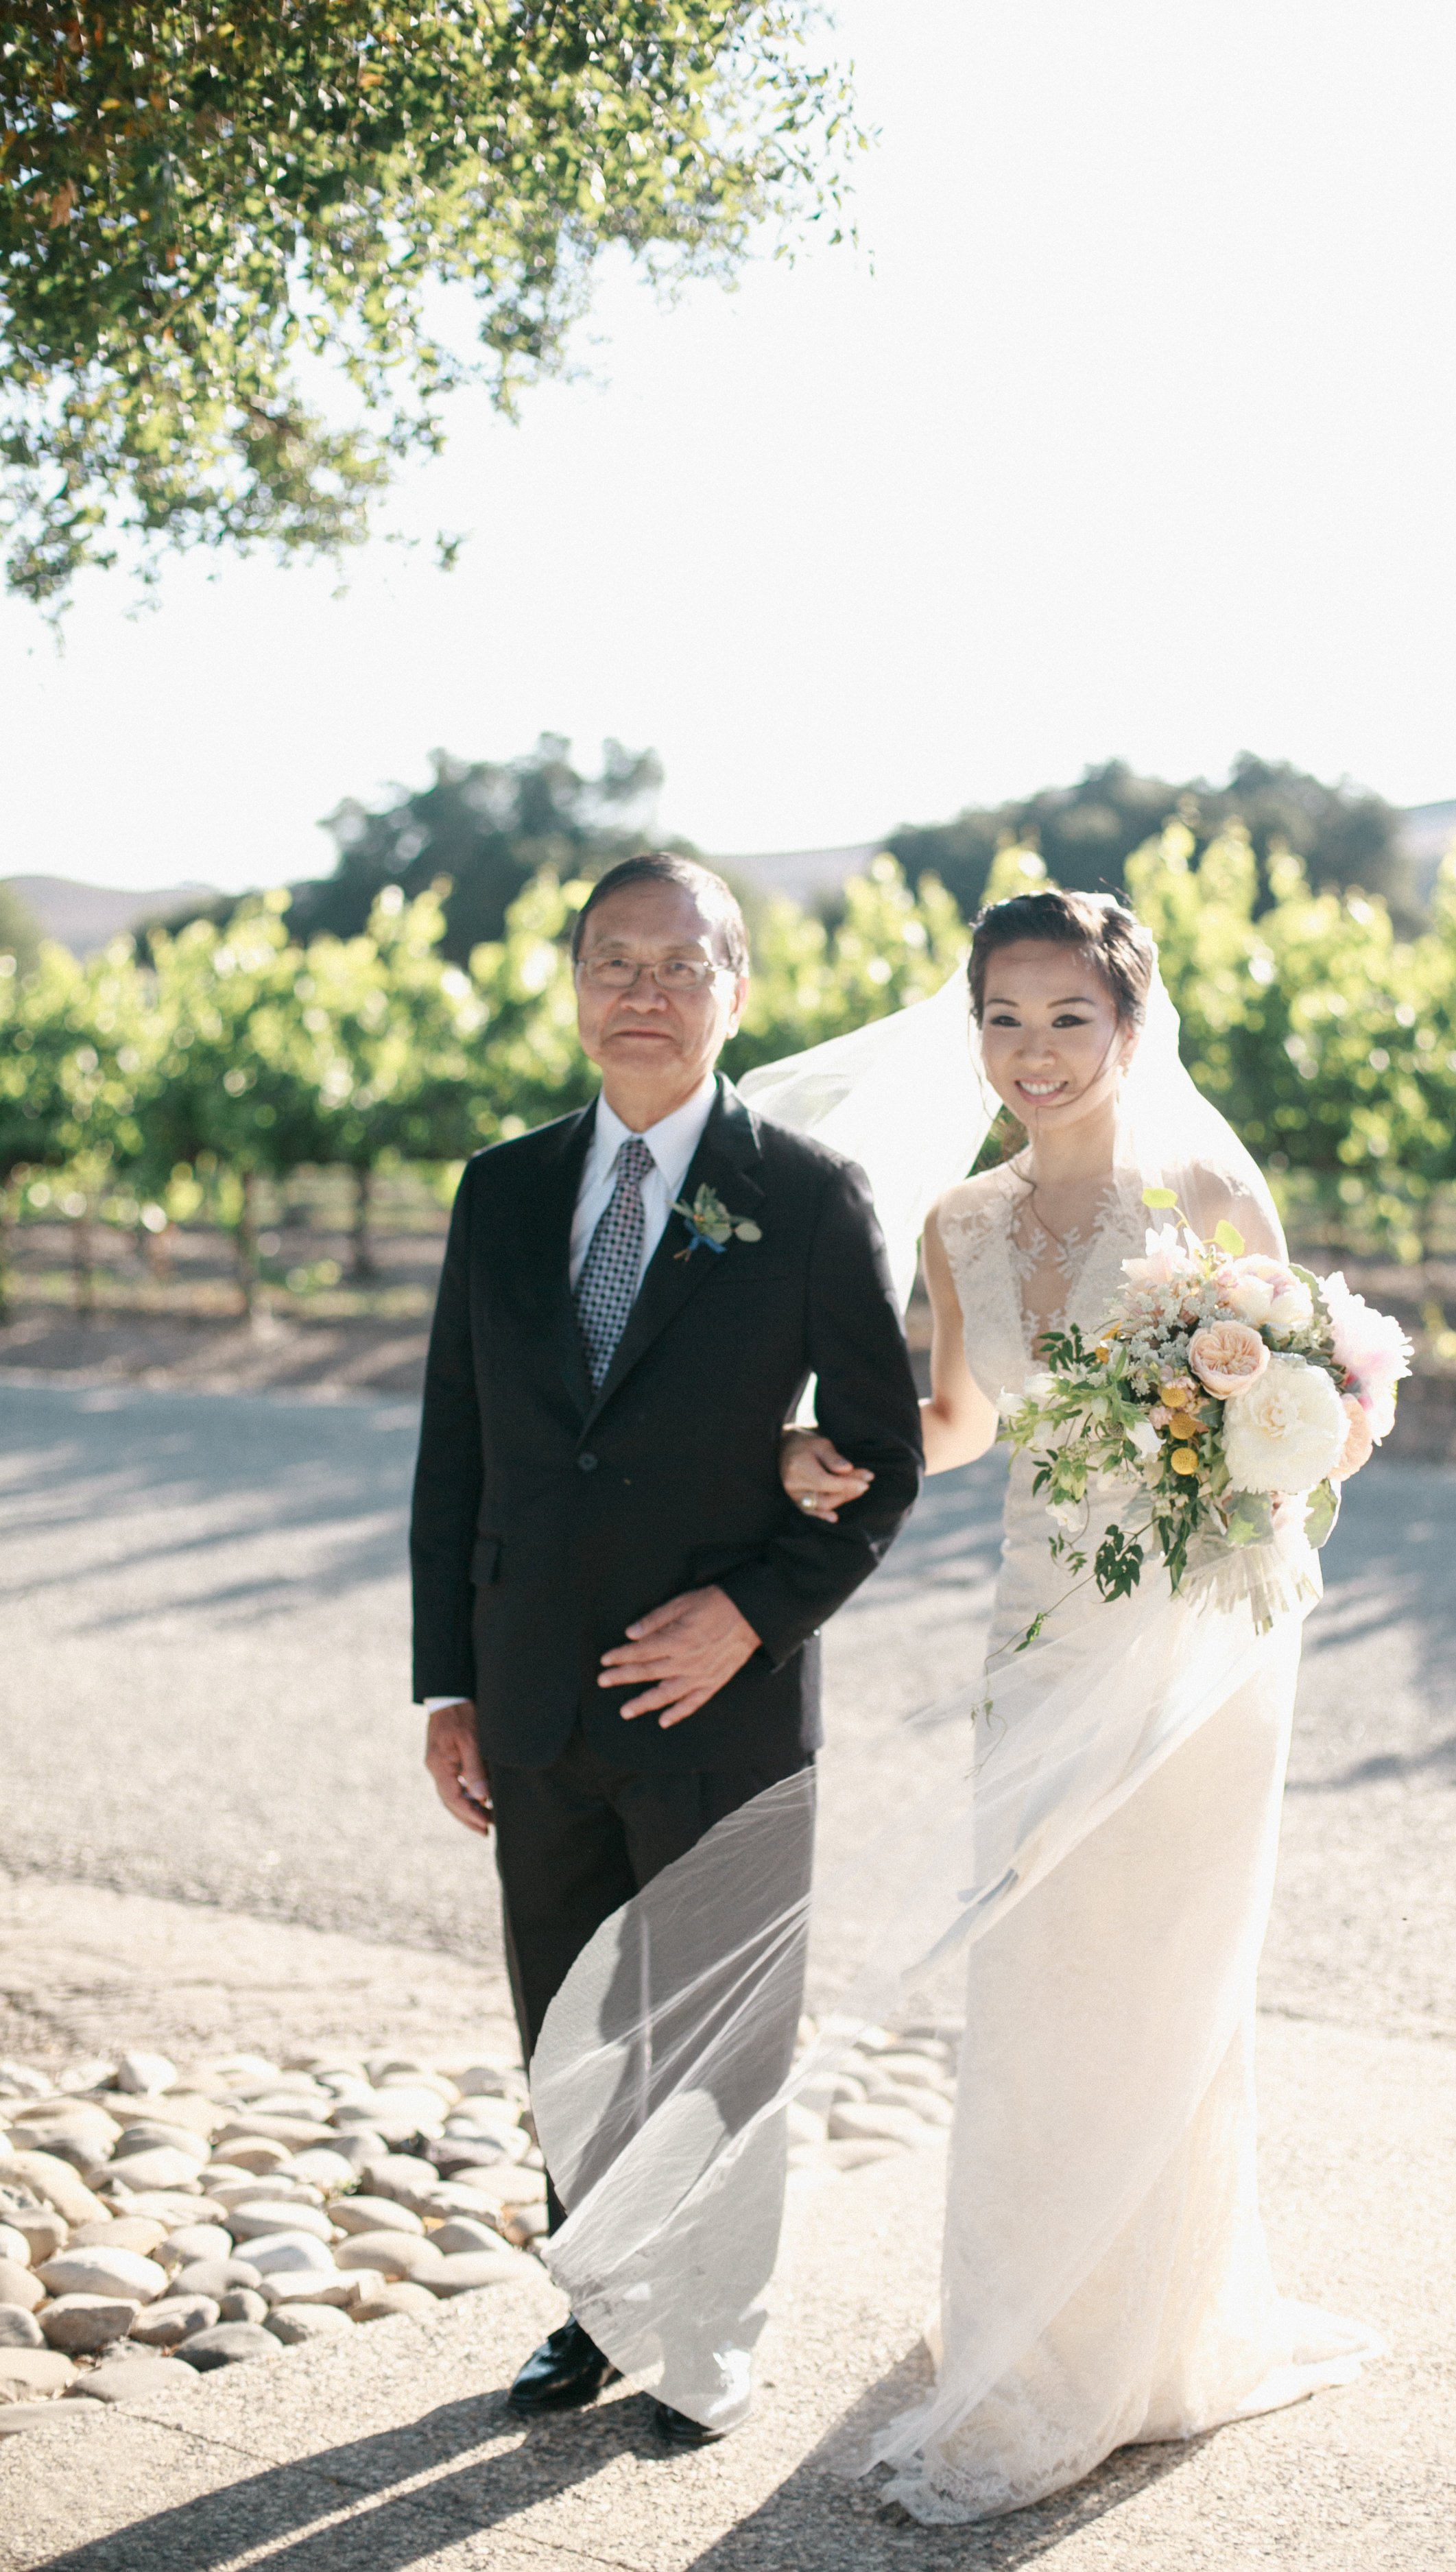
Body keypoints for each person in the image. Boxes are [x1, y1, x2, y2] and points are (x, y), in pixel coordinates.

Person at [526, 885, 1380, 2521]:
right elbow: (961, 1417)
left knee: (1165, 1974)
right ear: (971, 1027)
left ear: (1128, 1024)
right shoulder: (959, 1224)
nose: (1034, 1053)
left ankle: (1141, 2335)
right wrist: (805, 1453)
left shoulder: (1203, 1186)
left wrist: (1277, 1431)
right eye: (1005, 1019)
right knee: (1044, 1972)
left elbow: (1323, 1408)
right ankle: (1034, 2332)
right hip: (1039, 1633)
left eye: (1069, 1019)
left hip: (1198, 1642)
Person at [409, 851, 923, 2440]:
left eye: (678, 964)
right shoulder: (499, 1187)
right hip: (535, 1693)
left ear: (735, 992)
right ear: (574, 986)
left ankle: (704, 2330)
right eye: (612, 962)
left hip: (724, 1707)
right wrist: (448, 1682)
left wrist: (755, 1613)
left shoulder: (805, 1192)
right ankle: (595, 2306)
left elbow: (880, 1456)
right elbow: (458, 1449)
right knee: (567, 2019)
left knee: (711, 2031)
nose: (643, 991)